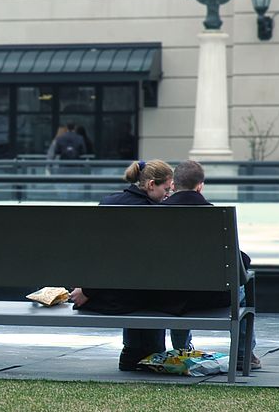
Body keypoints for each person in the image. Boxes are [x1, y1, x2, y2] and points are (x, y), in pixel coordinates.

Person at [69, 159, 174, 371]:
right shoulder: (158, 214)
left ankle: (132, 351)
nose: (168, 195)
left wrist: (87, 290)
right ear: (151, 184)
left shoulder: (108, 203)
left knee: (138, 283)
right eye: (166, 188)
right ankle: (148, 351)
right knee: (152, 288)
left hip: (105, 297)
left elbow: (98, 255)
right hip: (138, 297)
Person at [160, 160, 261, 370]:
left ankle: (182, 348)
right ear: (200, 186)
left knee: (179, 284)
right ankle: (244, 354)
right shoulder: (216, 217)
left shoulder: (156, 214)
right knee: (241, 288)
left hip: (167, 296)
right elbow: (237, 260)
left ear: (173, 185)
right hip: (211, 296)